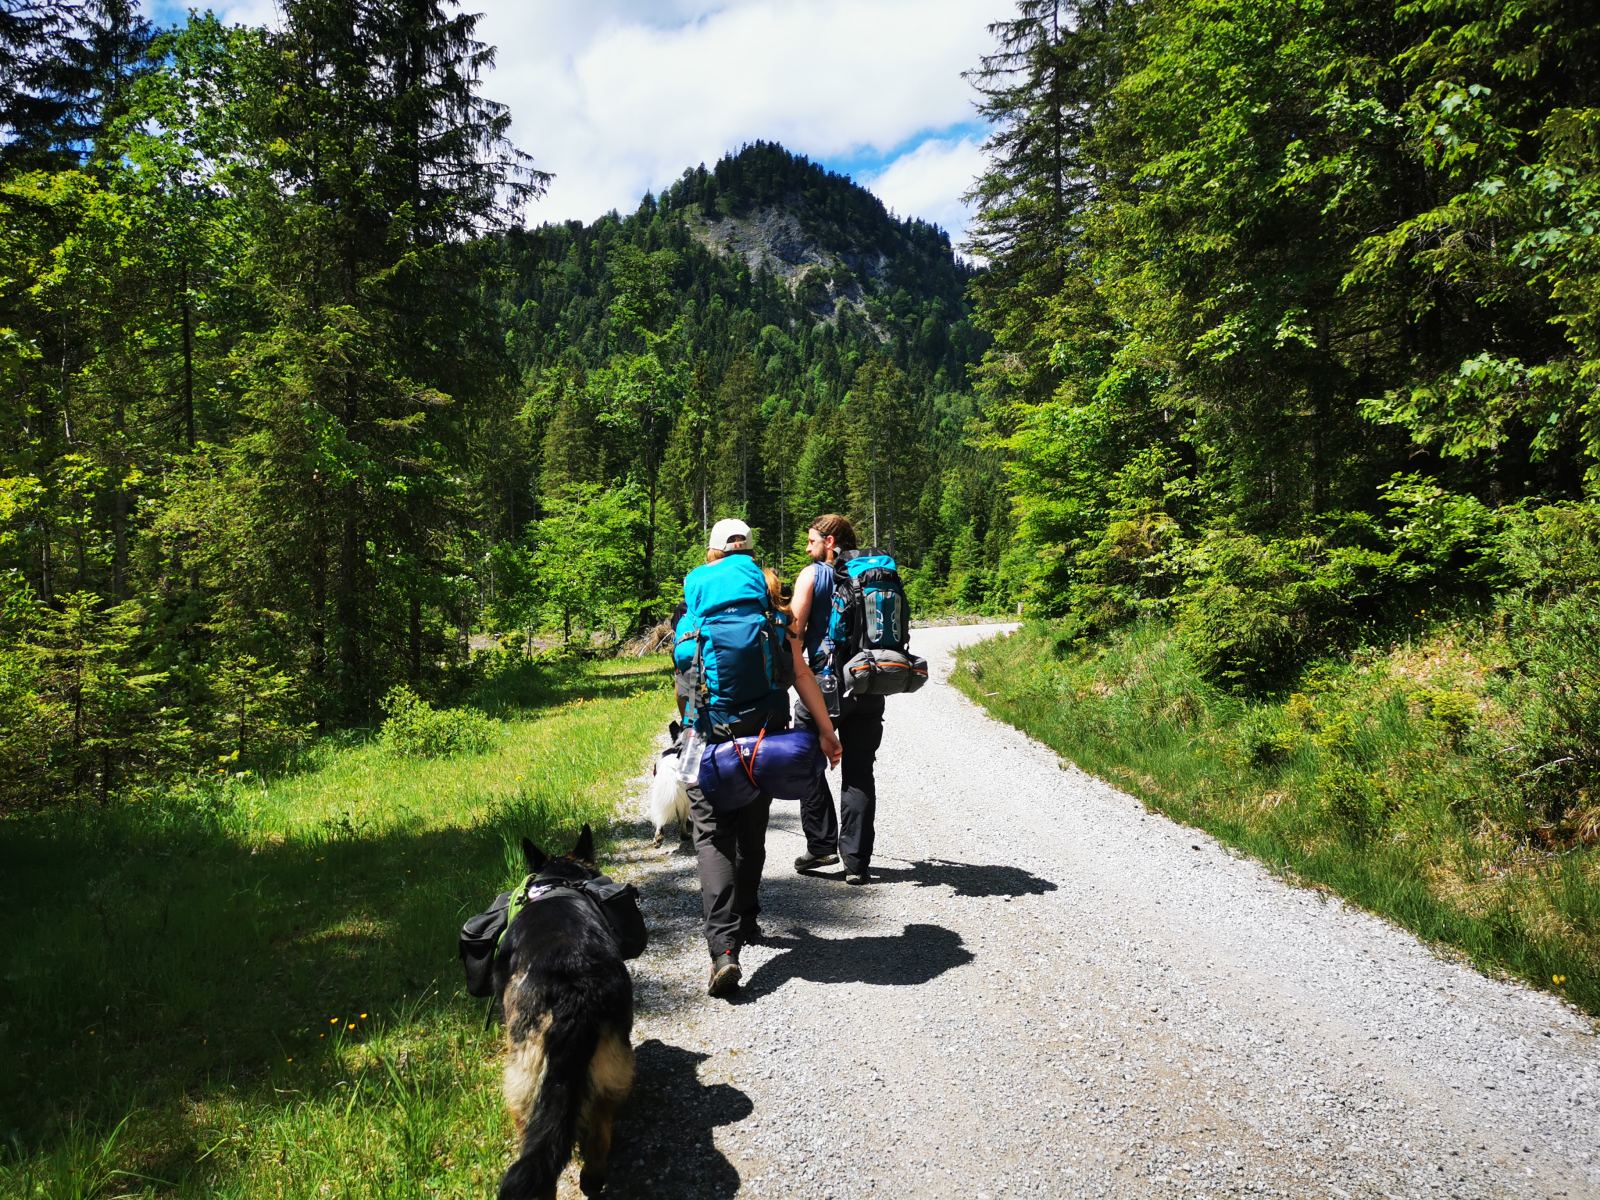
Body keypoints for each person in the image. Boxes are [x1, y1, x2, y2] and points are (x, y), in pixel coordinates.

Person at [680, 518, 841, 997]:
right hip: (762, 743)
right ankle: (747, 919)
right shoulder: (774, 616)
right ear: (750, 556)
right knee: (751, 833)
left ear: (711, 557)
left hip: (709, 742)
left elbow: (684, 682)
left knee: (711, 839)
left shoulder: (692, 619)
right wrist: (828, 734)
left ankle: (723, 951)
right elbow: (802, 677)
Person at [790, 513, 883, 885]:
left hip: (823, 687)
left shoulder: (813, 575)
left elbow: (794, 633)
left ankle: (821, 843)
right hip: (867, 682)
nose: (808, 547)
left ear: (830, 542)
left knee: (806, 761)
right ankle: (857, 863)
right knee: (859, 772)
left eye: (812, 540)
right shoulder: (871, 573)